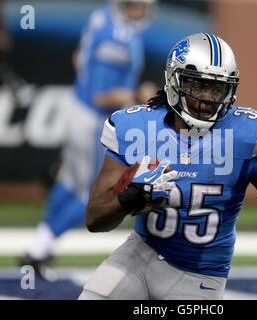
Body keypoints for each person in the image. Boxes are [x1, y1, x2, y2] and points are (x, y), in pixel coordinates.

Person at [79, 33, 257, 300]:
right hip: (139, 255)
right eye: (197, 85)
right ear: (174, 81)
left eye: (217, 88)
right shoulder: (137, 129)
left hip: (199, 277)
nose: (207, 98)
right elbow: (94, 219)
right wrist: (131, 196)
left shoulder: (244, 136)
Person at [20, 0, 157, 279]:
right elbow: (102, 95)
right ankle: (38, 249)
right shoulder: (120, 37)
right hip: (92, 119)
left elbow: (78, 59)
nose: (139, 12)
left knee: (69, 182)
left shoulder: (101, 18)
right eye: (136, 6)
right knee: (90, 194)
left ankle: (39, 249)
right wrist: (135, 96)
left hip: (77, 108)